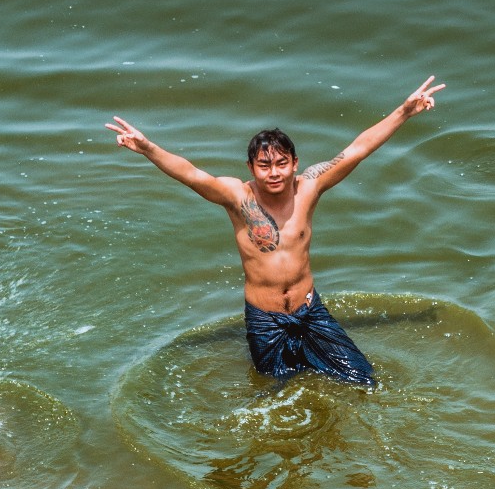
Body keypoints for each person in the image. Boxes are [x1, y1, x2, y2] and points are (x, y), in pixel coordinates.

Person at [104, 77, 444, 385]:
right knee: (276, 393)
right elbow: (190, 174)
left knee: (362, 380)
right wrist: (148, 148)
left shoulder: (309, 188)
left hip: (310, 311)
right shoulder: (237, 197)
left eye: (281, 163)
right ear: (251, 168)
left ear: (295, 163)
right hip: (265, 319)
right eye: (264, 165)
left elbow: (357, 150)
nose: (274, 173)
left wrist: (403, 112)